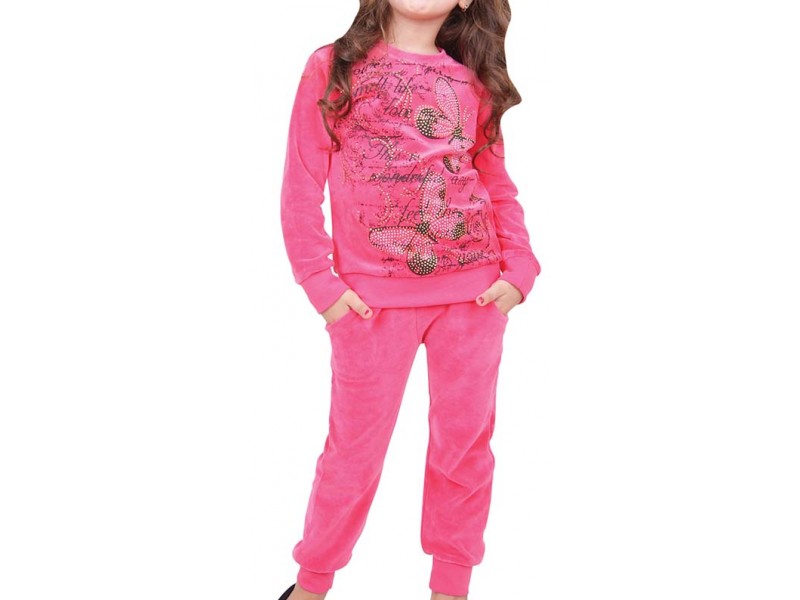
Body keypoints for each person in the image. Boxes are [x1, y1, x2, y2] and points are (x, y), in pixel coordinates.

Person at [277, 1, 541, 599]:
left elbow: (494, 181)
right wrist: (322, 286)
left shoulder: (472, 79)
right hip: (368, 306)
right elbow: (300, 184)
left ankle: (450, 588)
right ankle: (311, 585)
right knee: (353, 452)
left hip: (474, 296)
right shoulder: (332, 67)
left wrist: (520, 268)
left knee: (463, 448)